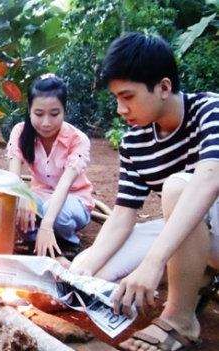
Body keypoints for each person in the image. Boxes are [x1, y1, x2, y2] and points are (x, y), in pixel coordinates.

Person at [69, 32, 219, 351]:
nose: (122, 109)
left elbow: (209, 180)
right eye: (116, 99)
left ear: (164, 87)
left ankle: (180, 319)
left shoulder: (211, 110)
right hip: (193, 233)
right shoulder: (134, 142)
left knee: (179, 187)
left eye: (128, 97)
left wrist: (152, 263)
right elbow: (123, 215)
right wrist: (80, 271)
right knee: (90, 272)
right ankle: (199, 273)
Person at [7, 74, 94, 258]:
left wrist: (46, 224)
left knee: (55, 215)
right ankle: (35, 239)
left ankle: (67, 242)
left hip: (73, 200)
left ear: (64, 111)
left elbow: (64, 185)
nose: (46, 122)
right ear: (29, 110)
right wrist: (23, 196)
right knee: (11, 203)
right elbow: (13, 179)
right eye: (39, 114)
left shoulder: (78, 139)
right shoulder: (20, 132)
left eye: (54, 114)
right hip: (39, 197)